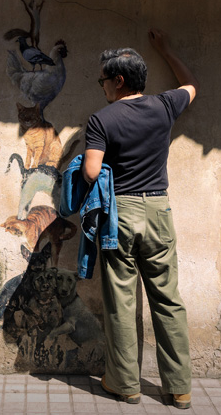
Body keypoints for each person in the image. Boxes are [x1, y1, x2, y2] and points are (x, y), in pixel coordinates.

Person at [82, 28, 198, 409]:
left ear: (117, 81)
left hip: (123, 212)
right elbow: (191, 86)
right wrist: (165, 49)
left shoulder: (102, 120)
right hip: (159, 211)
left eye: (103, 79)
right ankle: (178, 388)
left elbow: (92, 173)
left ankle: (125, 384)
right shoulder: (166, 105)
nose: (101, 86)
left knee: (121, 301)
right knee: (168, 300)